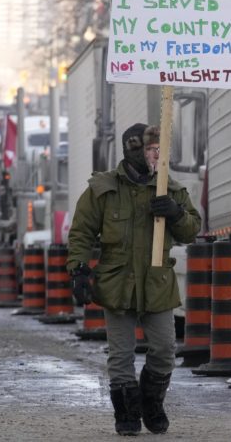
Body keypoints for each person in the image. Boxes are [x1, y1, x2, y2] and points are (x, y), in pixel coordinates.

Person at [66, 123, 201, 437]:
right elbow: (82, 231)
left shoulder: (171, 189)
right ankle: (126, 413)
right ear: (135, 151)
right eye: (153, 150)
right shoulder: (104, 189)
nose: (158, 156)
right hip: (117, 283)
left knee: (165, 349)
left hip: (157, 282)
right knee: (121, 353)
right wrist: (79, 270)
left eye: (160, 150)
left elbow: (193, 229)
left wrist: (176, 214)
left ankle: (152, 402)